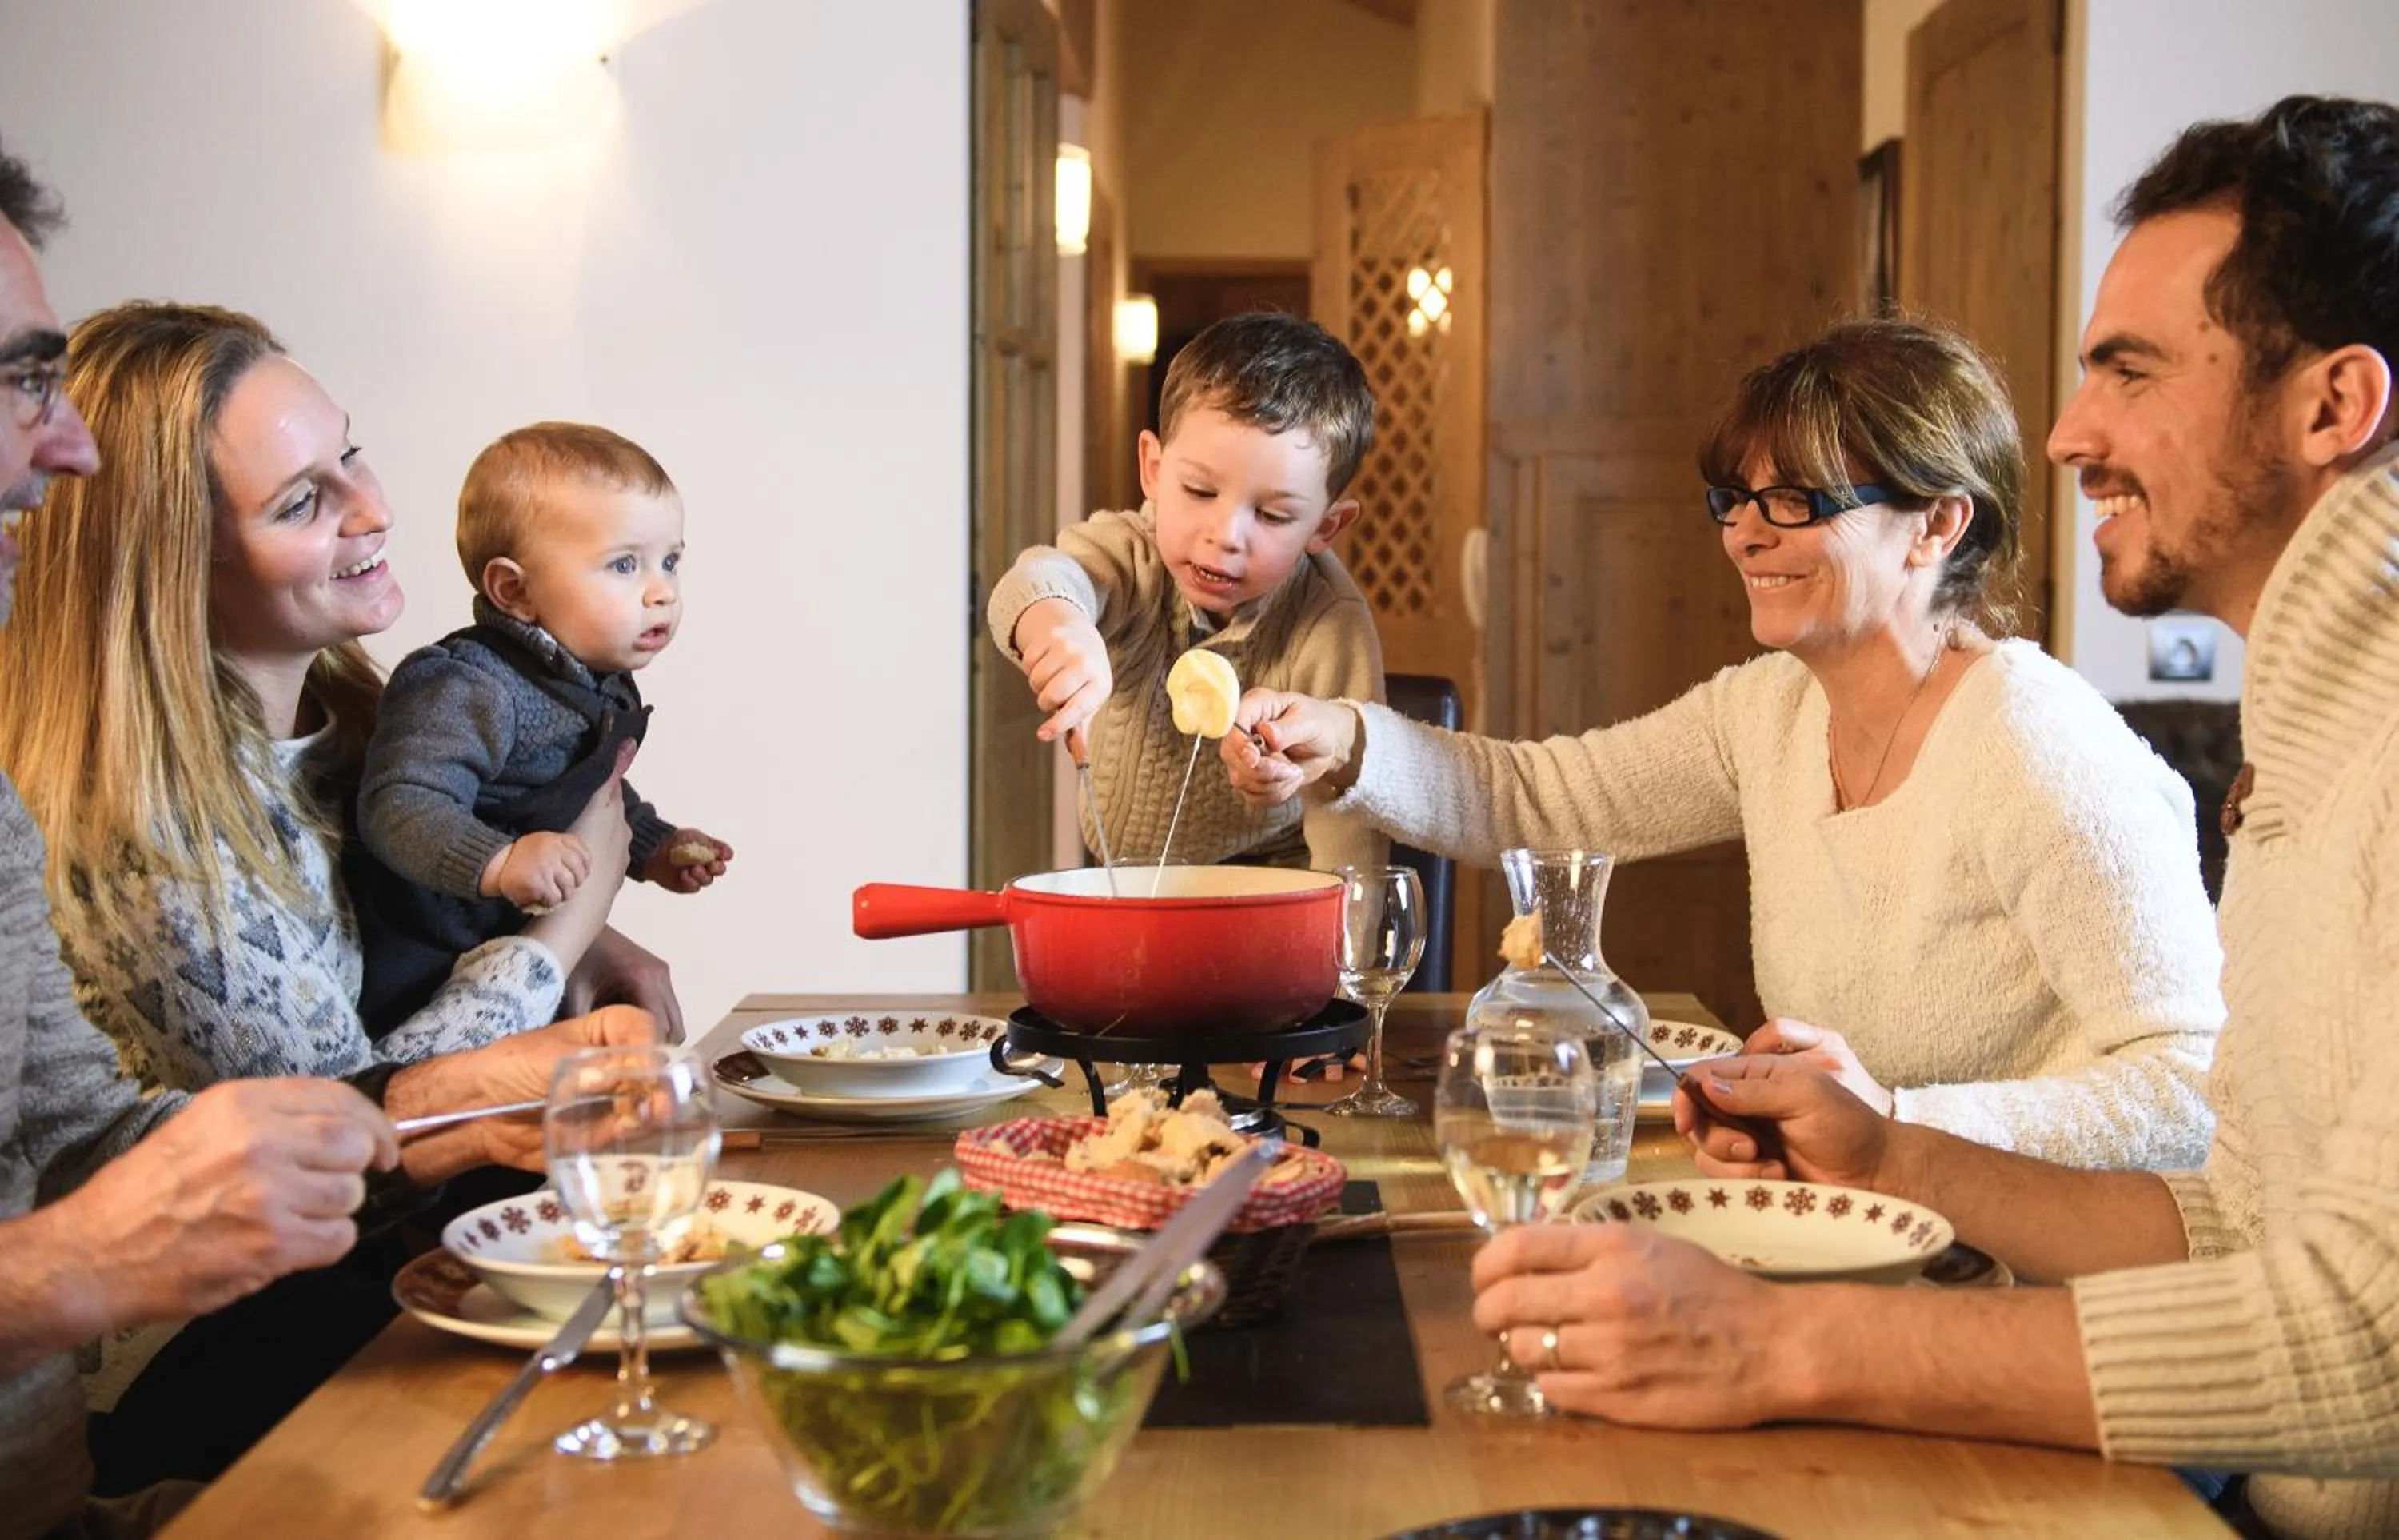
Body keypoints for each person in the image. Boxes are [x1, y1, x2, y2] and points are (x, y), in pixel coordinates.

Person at [1470, 95, 2399, 1540]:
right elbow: (2233, 1212)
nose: (2071, 432)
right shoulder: (2314, 739)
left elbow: (2369, 1343)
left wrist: (1777, 1346)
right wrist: (1885, 1154)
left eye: (2131, 372)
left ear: (2331, 407)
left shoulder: (2304, 753)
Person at [0, 142, 658, 1540]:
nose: (373, 506)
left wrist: (591, 922)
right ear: (168, 560)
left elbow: (109, 1138)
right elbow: (315, 1124)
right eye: (302, 500)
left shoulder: (367, 736)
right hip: (217, 1354)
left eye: (348, 450)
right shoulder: (135, 829)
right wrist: (555, 930)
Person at [1225, 317, 2223, 1170]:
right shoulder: (1772, 710)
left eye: (1795, 502)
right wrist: (1344, 741)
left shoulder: (2035, 742)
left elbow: (2193, 1089)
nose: (1744, 535)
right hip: (1859, 1222)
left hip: (2024, 1281)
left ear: (1937, 526)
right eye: (1734, 500)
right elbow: (1541, 800)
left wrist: (1896, 1125)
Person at [350, 421, 732, 1028]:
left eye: (670, 561)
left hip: (512, 952)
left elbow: (576, 789)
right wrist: (500, 861)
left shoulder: (588, 682)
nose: (661, 592)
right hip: (419, 965)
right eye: (625, 564)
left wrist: (654, 844)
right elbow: (400, 803)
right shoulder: (465, 685)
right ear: (514, 591)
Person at [989, 310, 1388, 874]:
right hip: (1122, 869)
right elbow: (1039, 579)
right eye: (1200, 491)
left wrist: (1350, 948)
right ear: (1152, 469)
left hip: (1269, 874)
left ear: (1324, 528)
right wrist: (1059, 624)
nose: (1224, 537)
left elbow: (1351, 805)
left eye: (1273, 515)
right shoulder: (1133, 556)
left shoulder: (1329, 623)